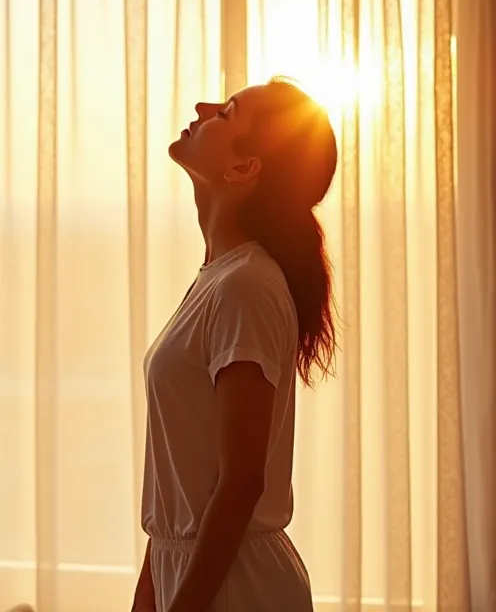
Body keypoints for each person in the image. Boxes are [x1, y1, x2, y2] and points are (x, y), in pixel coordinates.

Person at [131, 78, 339, 612]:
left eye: (225, 113)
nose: (202, 108)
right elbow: (181, 490)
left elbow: (242, 483)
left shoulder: (245, 285)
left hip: (237, 586)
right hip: (196, 569)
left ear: (245, 168)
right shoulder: (219, 278)